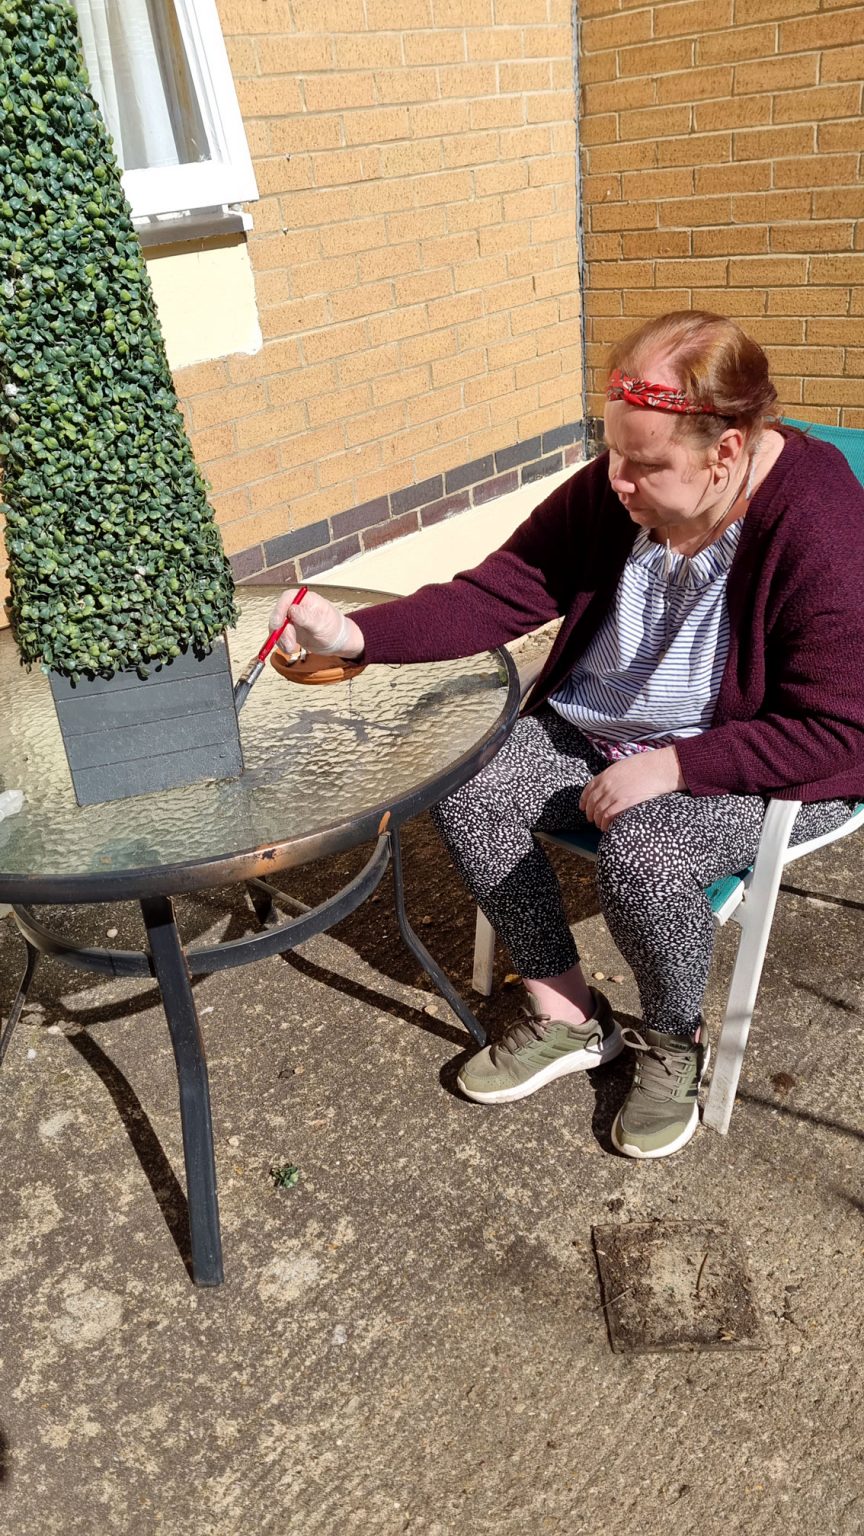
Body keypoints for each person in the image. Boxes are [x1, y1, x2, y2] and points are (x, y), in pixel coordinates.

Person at [268, 310, 864, 1160]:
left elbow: (841, 727)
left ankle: (673, 1041)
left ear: (725, 452)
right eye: (610, 450)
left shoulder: (821, 520)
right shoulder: (616, 490)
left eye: (645, 464)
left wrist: (680, 765)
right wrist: (354, 635)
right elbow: (498, 593)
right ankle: (570, 1012)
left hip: (762, 760)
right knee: (469, 778)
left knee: (647, 855)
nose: (616, 479)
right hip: (610, 729)